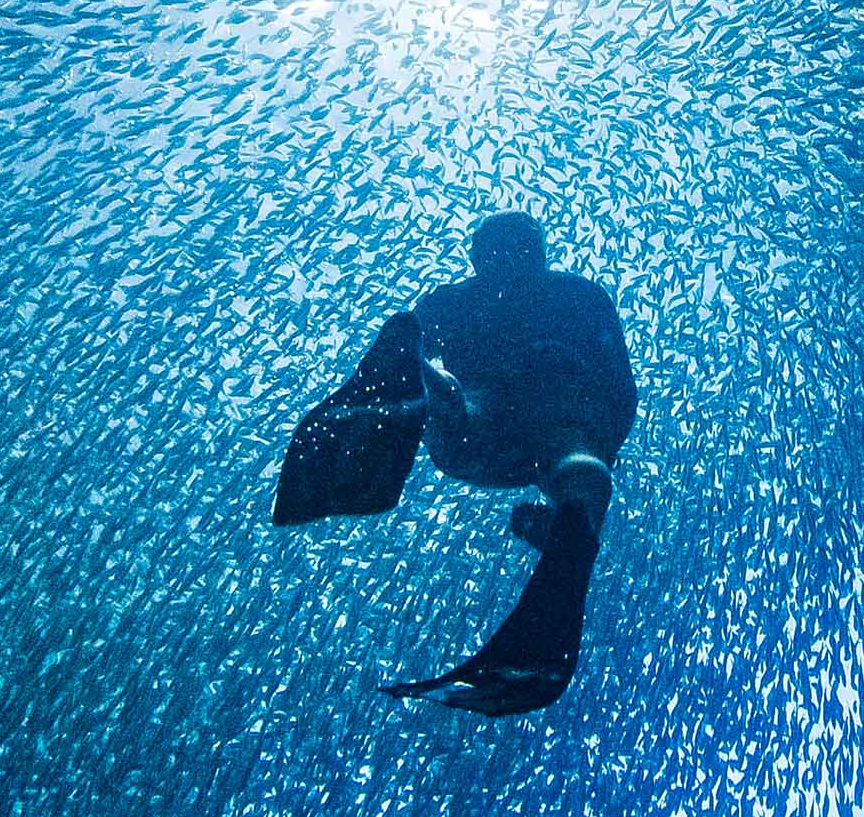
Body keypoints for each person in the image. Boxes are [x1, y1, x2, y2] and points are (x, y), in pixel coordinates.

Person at [272, 212, 636, 716]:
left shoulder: (556, 299)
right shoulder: (564, 298)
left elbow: (618, 390)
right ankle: (446, 396)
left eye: (519, 253)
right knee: (565, 455)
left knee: (574, 461)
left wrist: (596, 455)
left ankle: (566, 507)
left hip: (525, 427)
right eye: (504, 253)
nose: (512, 265)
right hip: (494, 428)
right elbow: (620, 391)